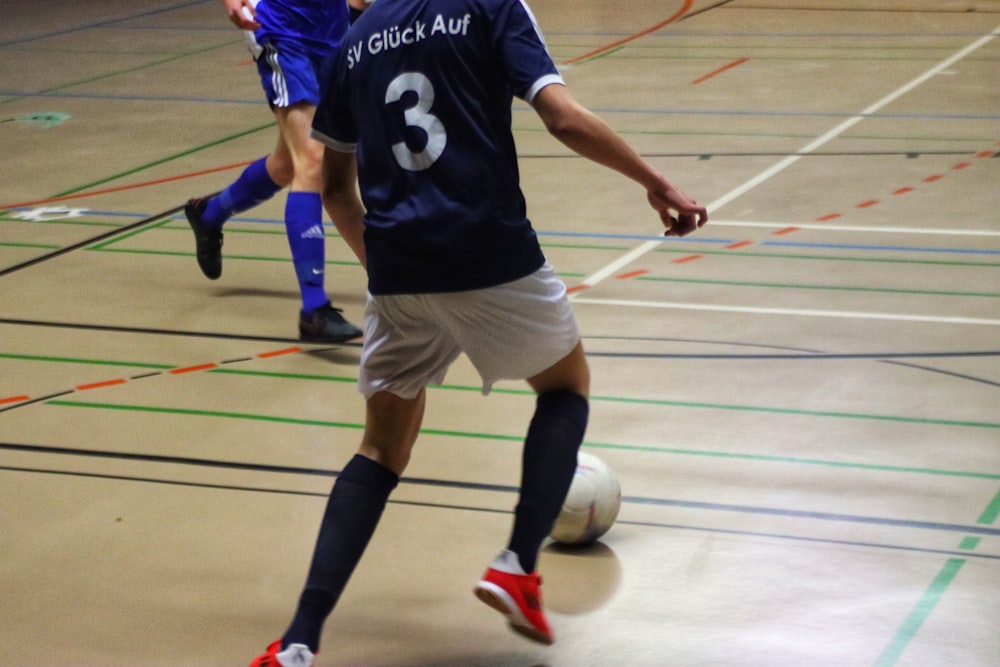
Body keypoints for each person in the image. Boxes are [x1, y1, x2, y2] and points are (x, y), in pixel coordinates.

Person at [249, 0, 708, 663]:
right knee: (564, 388)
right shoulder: (488, 4)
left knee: (379, 450)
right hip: (488, 247)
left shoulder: (356, 41)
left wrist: (386, 269)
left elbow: (336, 189)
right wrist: (655, 181)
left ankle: (298, 640)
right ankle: (518, 563)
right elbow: (563, 118)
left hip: (399, 266)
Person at [183, 0, 363, 343]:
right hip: (278, 26)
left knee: (285, 165)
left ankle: (209, 214)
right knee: (312, 158)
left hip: (331, 25)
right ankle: (314, 310)